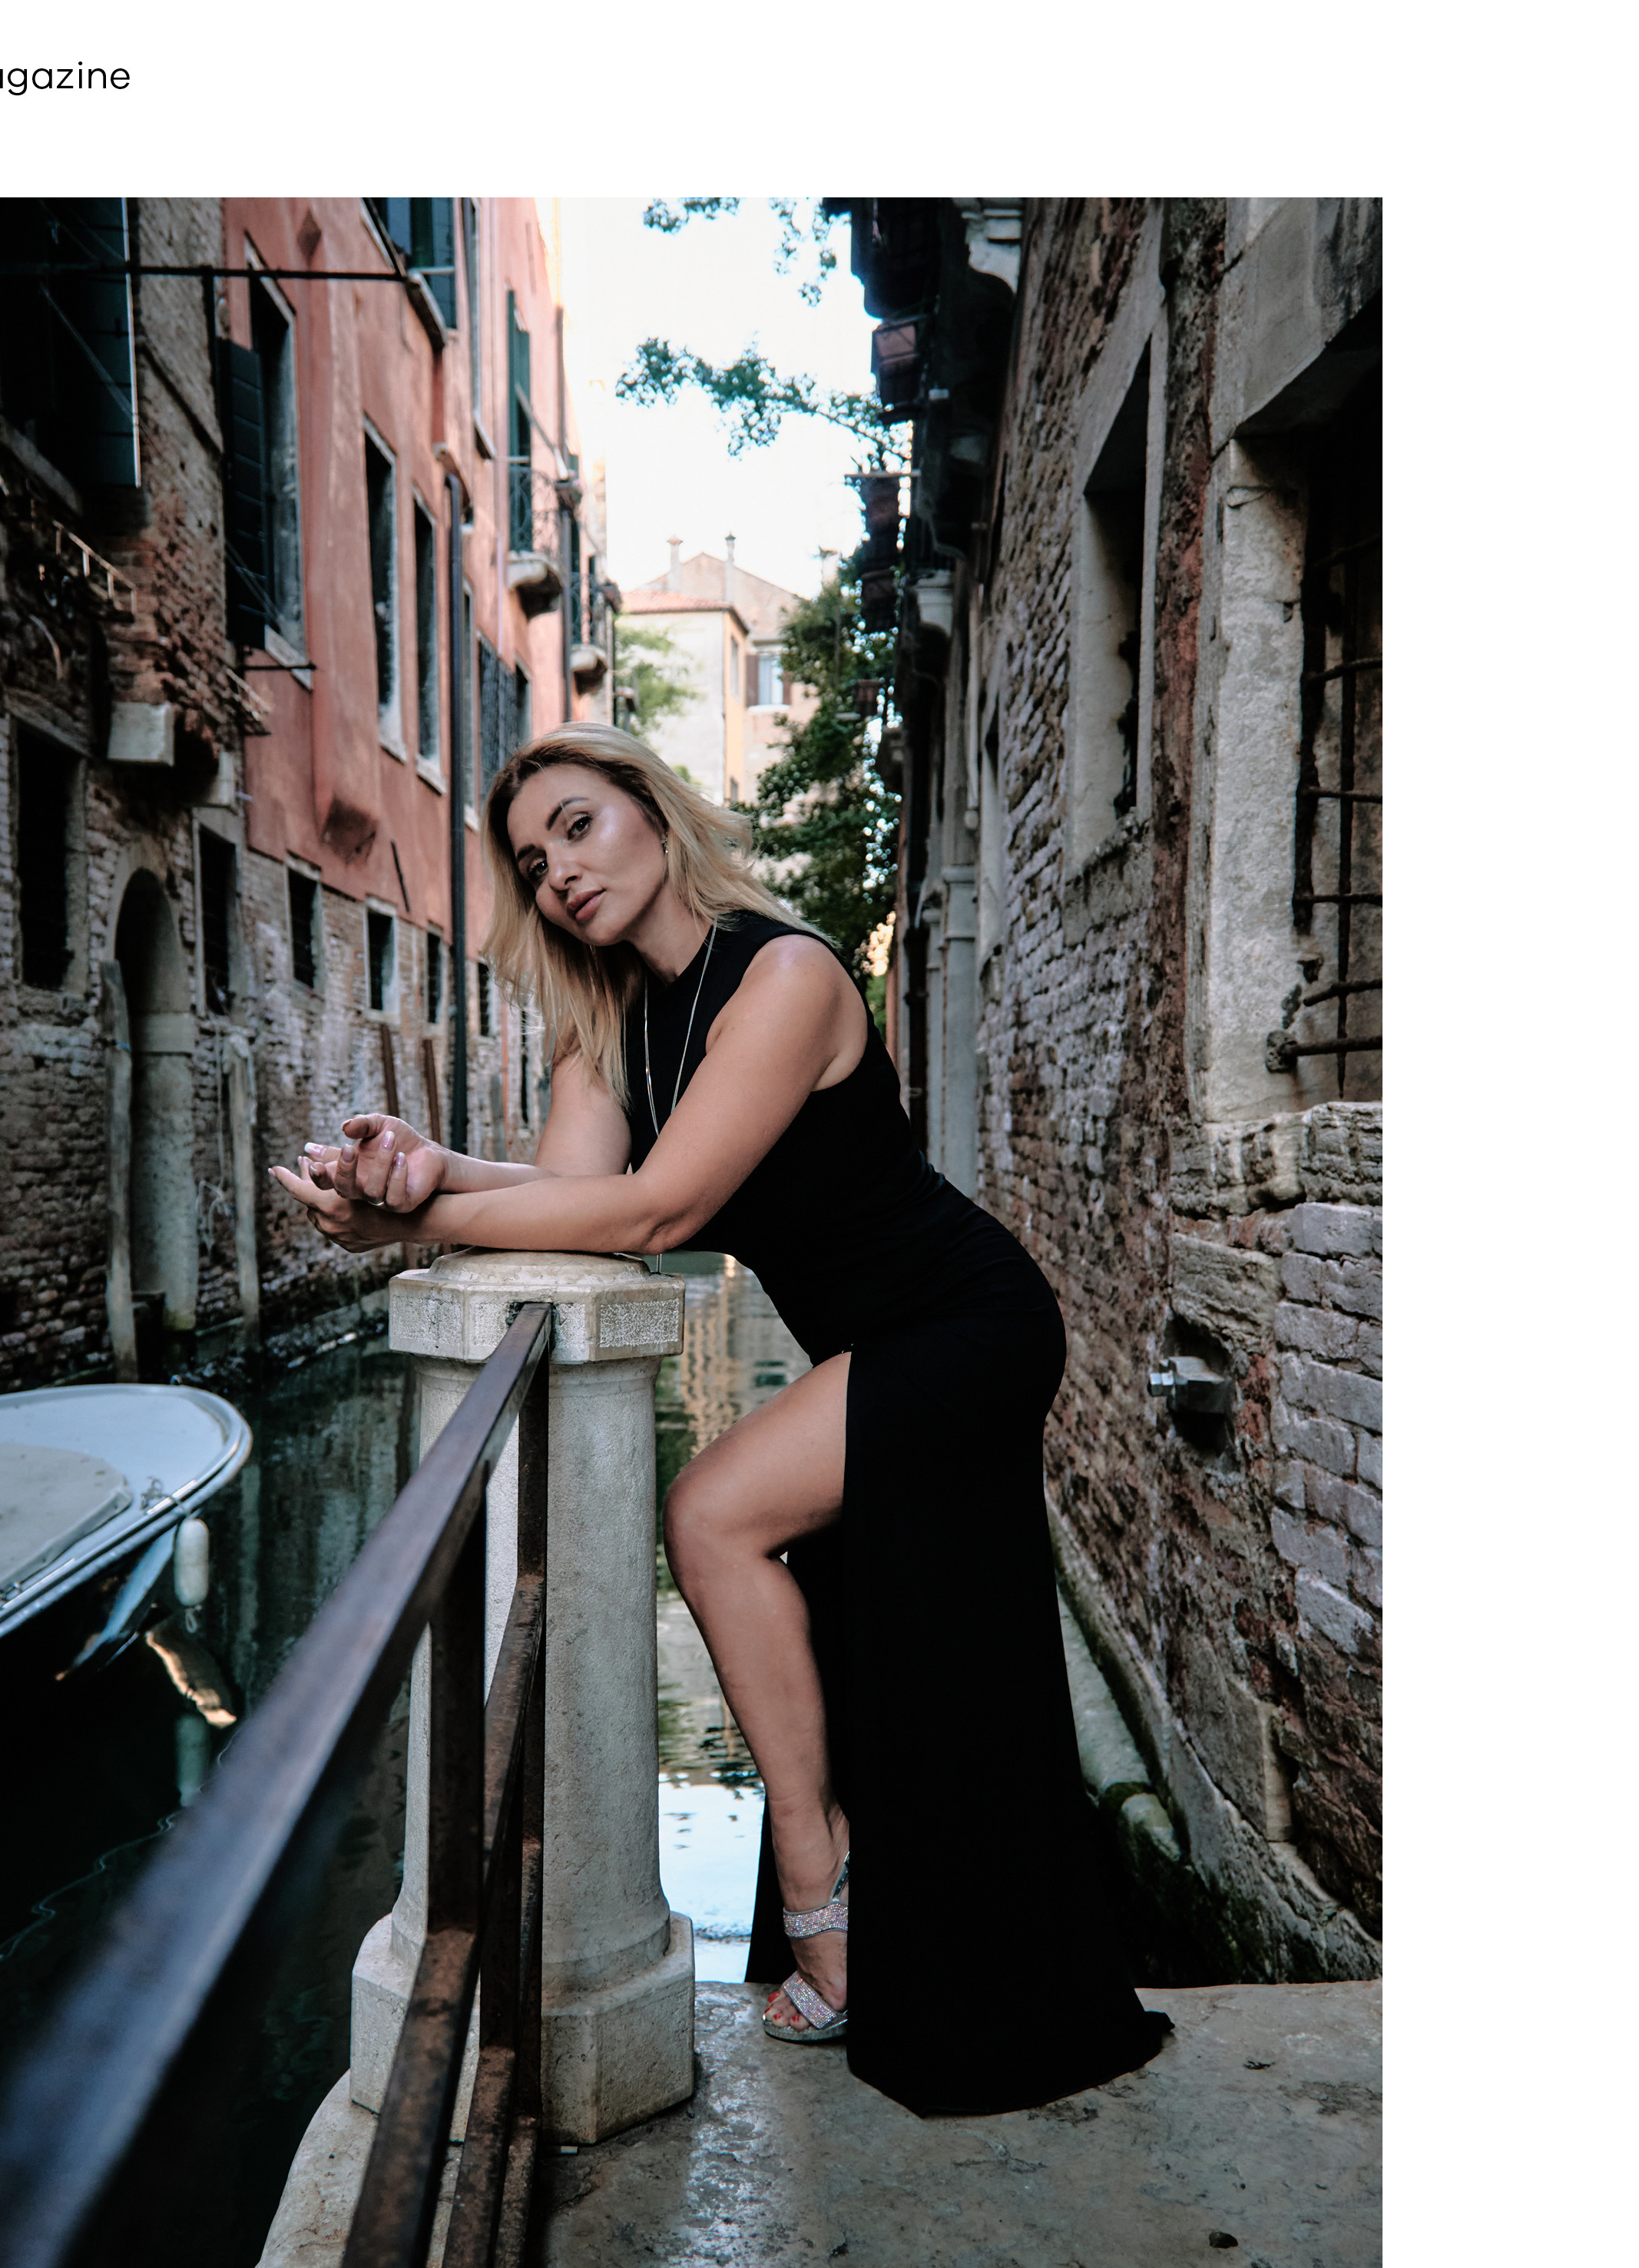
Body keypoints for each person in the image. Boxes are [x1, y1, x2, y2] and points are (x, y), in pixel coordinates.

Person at [271, 723, 1168, 2117]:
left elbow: (655, 1212)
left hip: (966, 1323)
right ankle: (930, 1934)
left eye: (579, 825)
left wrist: (409, 1220)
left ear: (653, 809)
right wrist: (425, 1175)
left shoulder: (786, 975)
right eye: (533, 862)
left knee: (711, 1513)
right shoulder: (608, 1029)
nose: (561, 872)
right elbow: (569, 1200)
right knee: (904, 1633)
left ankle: (829, 1897)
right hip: (875, 1346)